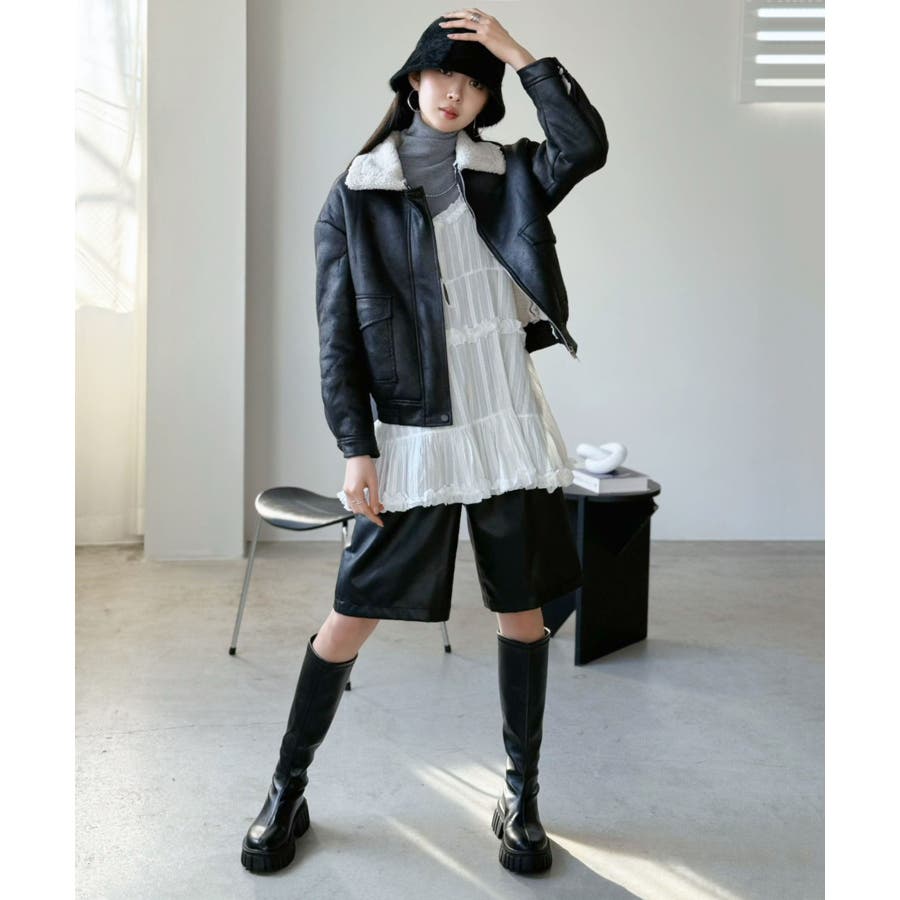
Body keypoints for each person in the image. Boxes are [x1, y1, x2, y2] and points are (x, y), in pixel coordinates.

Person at [241, 7, 609, 877]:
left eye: (475, 83)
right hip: (412, 432)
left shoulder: (509, 174)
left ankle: (521, 797)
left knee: (521, 613)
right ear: (413, 80)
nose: (456, 93)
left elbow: (585, 145)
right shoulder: (355, 194)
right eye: (444, 74)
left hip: (504, 422)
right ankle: (286, 788)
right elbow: (338, 338)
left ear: (487, 98)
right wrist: (355, 447)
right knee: (350, 616)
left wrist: (518, 53)